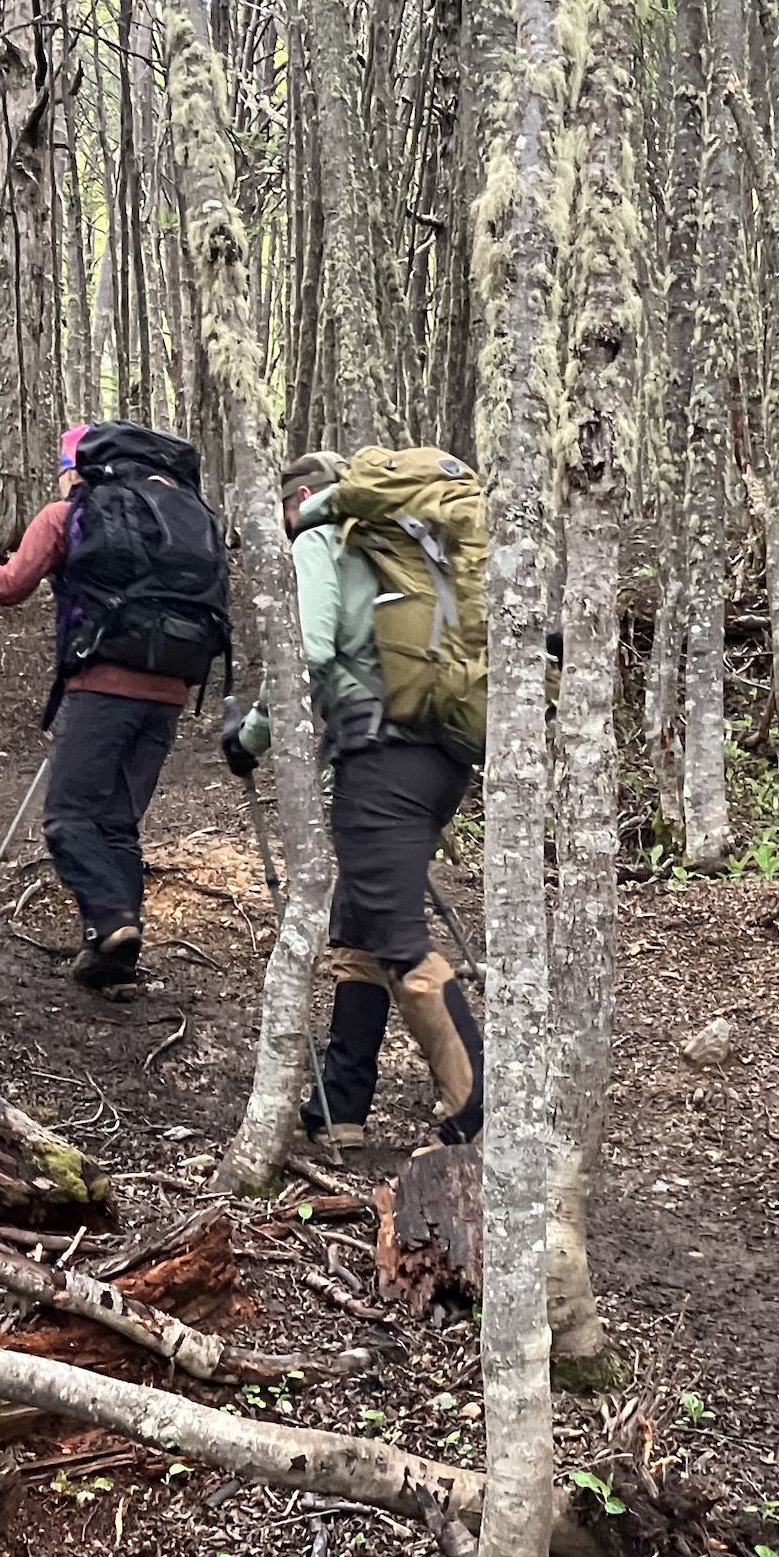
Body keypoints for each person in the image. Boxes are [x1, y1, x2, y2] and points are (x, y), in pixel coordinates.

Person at [222, 450, 485, 1149]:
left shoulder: (322, 537)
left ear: (300, 497)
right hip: (443, 754)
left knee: (395, 931)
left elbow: (305, 652)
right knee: (361, 923)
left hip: (379, 759)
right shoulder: (407, 541)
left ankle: (478, 1112)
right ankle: (340, 1106)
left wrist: (250, 737)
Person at [0, 423, 228, 989]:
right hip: (172, 687)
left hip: (103, 684)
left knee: (68, 818)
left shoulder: (70, 515)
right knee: (116, 824)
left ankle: (110, 923)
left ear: (75, 470)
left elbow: (8, 587)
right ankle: (115, 960)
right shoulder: (181, 519)